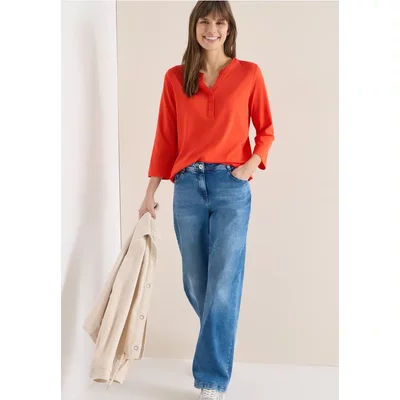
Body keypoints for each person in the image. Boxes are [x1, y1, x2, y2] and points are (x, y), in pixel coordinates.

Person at [139, 1, 274, 399]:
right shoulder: (176, 77)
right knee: (196, 281)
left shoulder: (249, 74)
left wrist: (250, 165)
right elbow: (165, 138)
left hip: (231, 186)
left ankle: (212, 379)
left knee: (223, 283)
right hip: (187, 187)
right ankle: (213, 344)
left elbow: (266, 129)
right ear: (194, 27)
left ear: (229, 29)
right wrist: (150, 192)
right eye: (204, 21)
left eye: (219, 22)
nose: (211, 29)